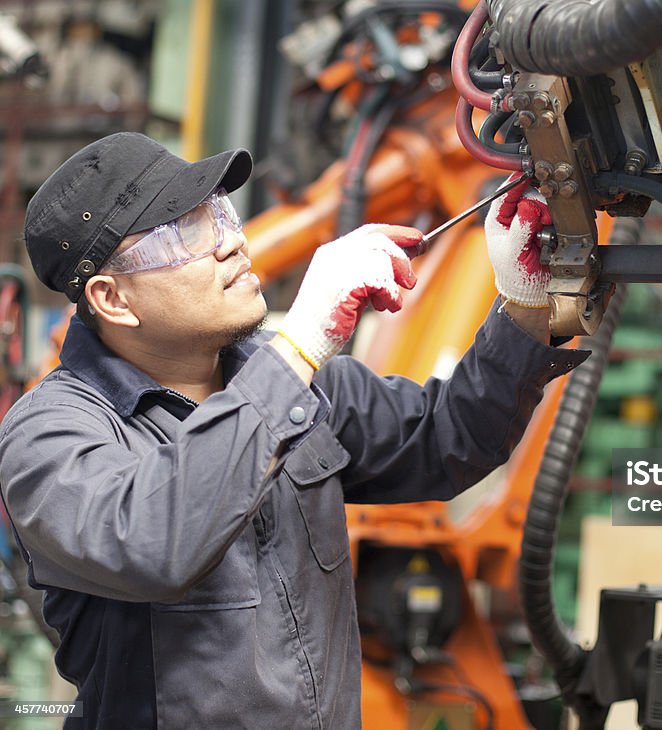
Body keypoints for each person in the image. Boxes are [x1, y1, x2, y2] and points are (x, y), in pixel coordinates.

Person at [0, 132, 585, 729]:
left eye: (221, 216)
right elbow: (154, 544)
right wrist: (298, 346)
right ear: (112, 299)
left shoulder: (299, 385)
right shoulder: (50, 437)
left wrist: (523, 302)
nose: (231, 244)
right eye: (186, 233)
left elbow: (453, 438)